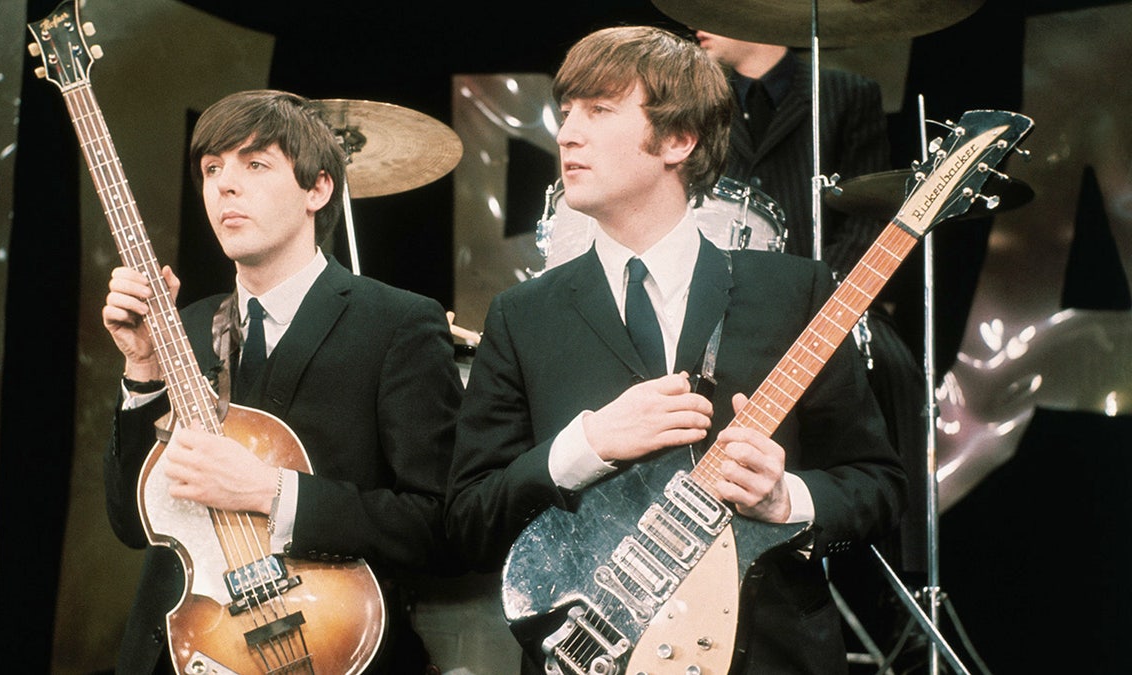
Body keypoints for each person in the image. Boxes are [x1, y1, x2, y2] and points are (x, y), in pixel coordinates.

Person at [445, 25, 907, 675]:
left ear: (678, 139)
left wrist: (787, 501)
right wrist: (588, 443)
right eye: (567, 110)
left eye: (599, 110)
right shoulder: (522, 314)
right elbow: (466, 521)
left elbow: (878, 486)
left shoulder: (794, 291)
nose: (567, 132)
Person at [100, 89, 462, 674]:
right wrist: (142, 371)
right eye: (212, 168)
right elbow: (132, 523)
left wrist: (272, 493)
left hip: (325, 648)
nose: (225, 186)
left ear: (318, 188)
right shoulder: (182, 326)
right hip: (182, 649)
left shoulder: (398, 323)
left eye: (255, 164)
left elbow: (440, 524)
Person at [696, 28, 930, 661]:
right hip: (729, 309)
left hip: (829, 302)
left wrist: (833, 301)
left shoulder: (845, 92)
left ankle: (898, 584)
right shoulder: (696, 95)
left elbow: (872, 212)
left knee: (891, 367)